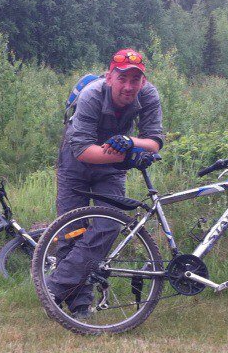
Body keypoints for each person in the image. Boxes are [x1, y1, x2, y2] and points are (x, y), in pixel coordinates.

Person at [47, 48, 165, 318]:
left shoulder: (148, 95)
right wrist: (127, 157)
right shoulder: (92, 95)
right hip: (75, 162)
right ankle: (79, 304)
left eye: (135, 80)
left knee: (109, 224)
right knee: (71, 231)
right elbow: (82, 150)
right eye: (122, 79)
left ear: (143, 82)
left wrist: (132, 142)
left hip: (110, 166)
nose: (128, 86)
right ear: (110, 77)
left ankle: (55, 286)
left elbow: (155, 141)